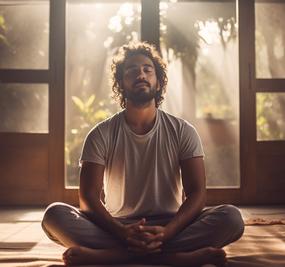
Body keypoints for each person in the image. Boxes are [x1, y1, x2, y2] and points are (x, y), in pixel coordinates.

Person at [42, 42, 244, 266]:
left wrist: (166, 233)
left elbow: (197, 193)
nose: (141, 74)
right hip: (116, 225)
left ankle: (113, 256)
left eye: (148, 69)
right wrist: (122, 232)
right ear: (121, 82)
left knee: (231, 218)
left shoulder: (183, 131)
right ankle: (174, 258)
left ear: (158, 82)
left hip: (171, 224)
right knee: (54, 215)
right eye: (132, 70)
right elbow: (88, 198)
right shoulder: (101, 133)